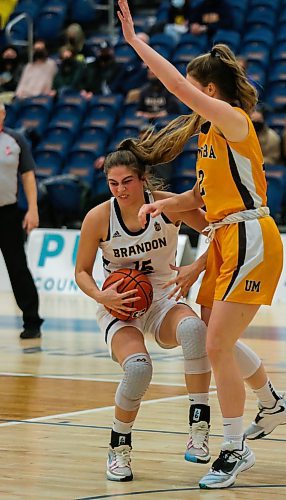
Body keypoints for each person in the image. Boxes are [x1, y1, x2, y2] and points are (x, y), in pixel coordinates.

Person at [116, 0, 286, 489]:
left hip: (251, 236)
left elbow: (174, 83)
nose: (185, 98)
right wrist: (162, 205)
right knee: (218, 336)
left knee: (217, 343)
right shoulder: (208, 139)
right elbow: (201, 197)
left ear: (209, 91)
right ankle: (274, 404)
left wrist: (137, 43)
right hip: (222, 240)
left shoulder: (235, 121)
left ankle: (235, 446)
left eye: (194, 91)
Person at [75, 148, 213, 481]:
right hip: (120, 305)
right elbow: (81, 271)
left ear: (142, 179)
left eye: (127, 182)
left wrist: (197, 266)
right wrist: (100, 294)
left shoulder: (168, 205)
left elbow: (221, 235)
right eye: (113, 183)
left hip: (163, 299)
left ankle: (199, 425)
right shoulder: (99, 217)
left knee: (195, 330)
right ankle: (118, 448)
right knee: (138, 369)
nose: (120, 190)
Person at [0, 103, 43, 339]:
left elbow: (28, 176)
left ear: (4, 114)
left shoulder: (15, 140)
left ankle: (32, 321)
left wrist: (33, 209)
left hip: (7, 213)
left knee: (17, 267)